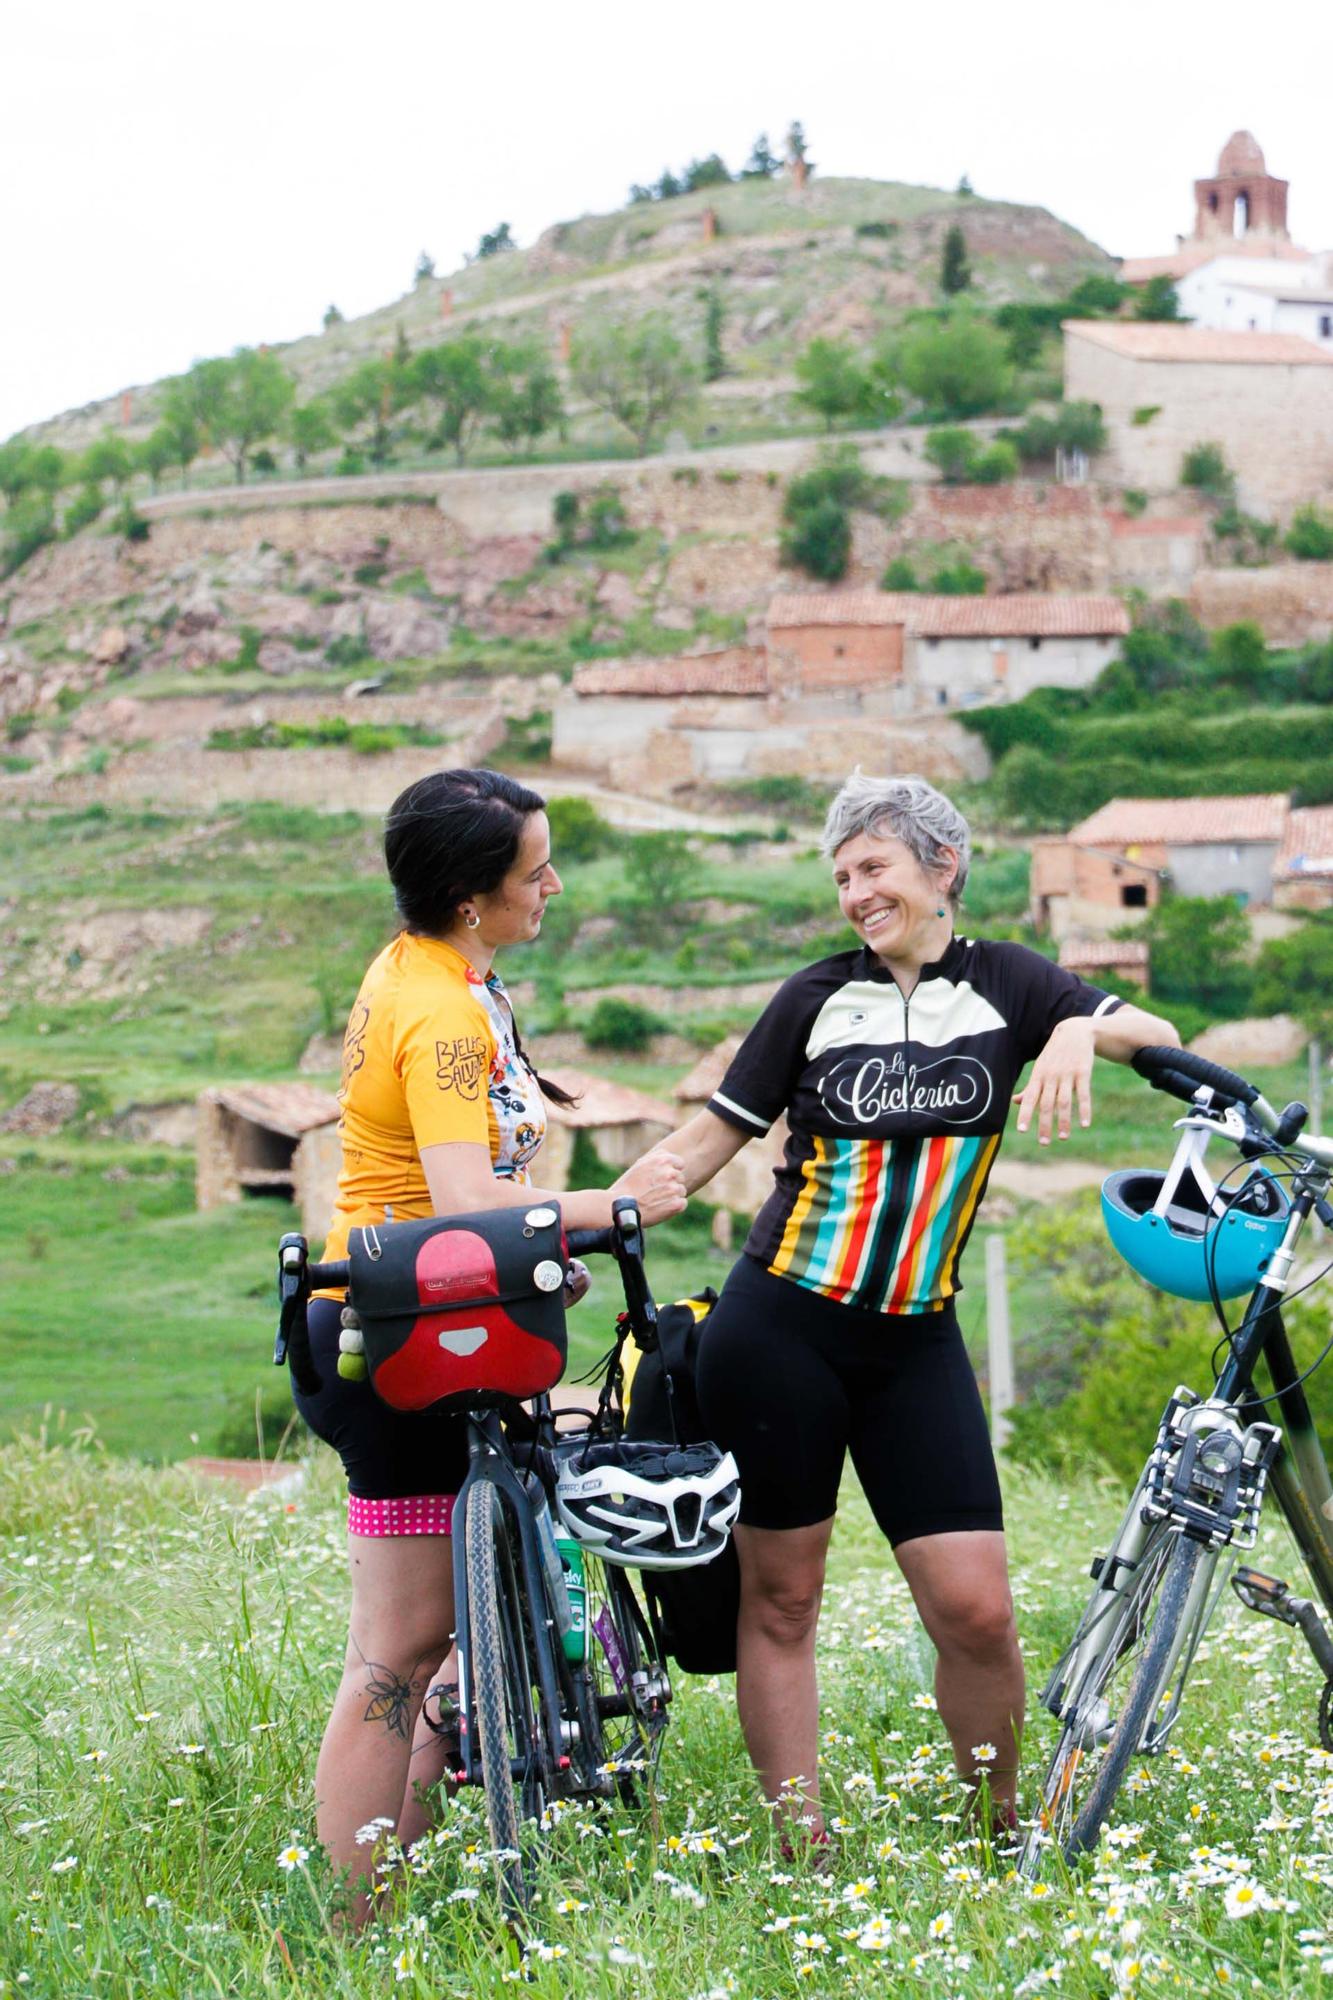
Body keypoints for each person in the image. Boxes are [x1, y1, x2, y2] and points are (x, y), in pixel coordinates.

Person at [645, 773, 1179, 1845]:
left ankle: (997, 1837)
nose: (854, 891)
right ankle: (803, 1844)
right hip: (778, 1327)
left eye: (874, 866)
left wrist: (1075, 1027)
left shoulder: (1014, 986)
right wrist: (569, 1222)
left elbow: (1148, 1025)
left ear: (942, 868)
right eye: (841, 875)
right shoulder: (811, 998)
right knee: (783, 1599)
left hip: (914, 1340)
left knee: (976, 1609)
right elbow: (697, 1150)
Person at [292, 767, 685, 1919]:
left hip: (429, 1316)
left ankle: (395, 1890)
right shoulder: (448, 1012)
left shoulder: (424, 965)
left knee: (426, 1646)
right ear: (471, 895)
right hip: (400, 1329)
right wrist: (614, 1202)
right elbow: (465, 1200)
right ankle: (355, 1931)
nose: (553, 883)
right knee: (398, 1649)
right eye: (535, 868)